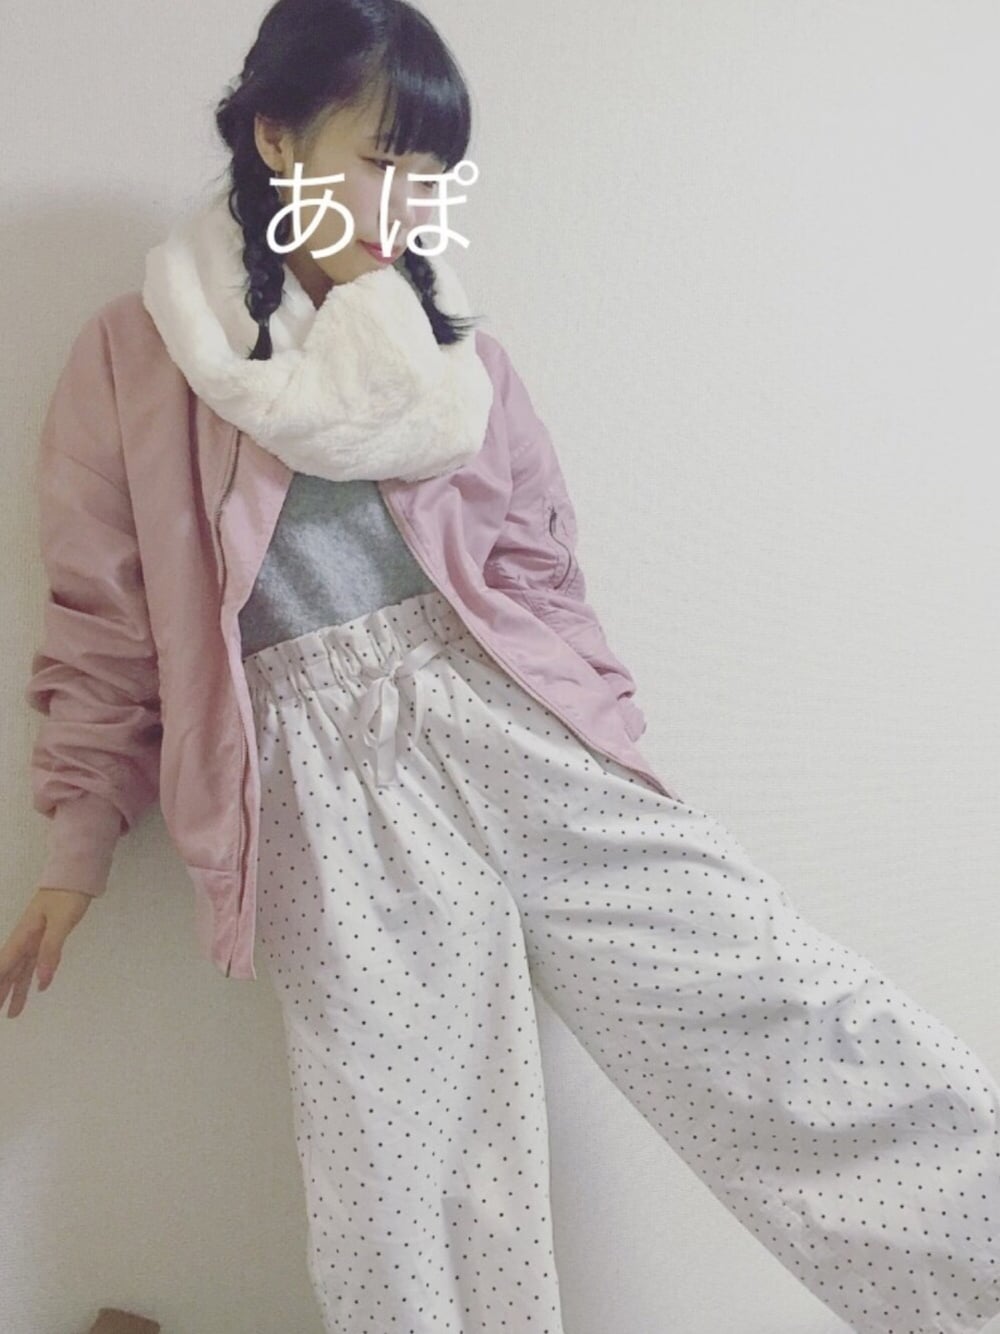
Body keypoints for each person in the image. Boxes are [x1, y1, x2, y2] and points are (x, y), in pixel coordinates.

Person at [5, 2, 1000, 1332]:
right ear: (277, 136)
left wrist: (602, 734)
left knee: (771, 1002)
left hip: (515, 723)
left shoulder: (453, 359)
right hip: (319, 786)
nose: (405, 207)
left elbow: (539, 568)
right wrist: (76, 852)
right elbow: (104, 623)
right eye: (379, 162)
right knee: (404, 1171)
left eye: (431, 177)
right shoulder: (136, 359)